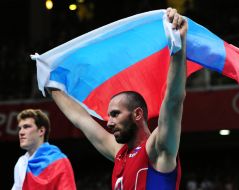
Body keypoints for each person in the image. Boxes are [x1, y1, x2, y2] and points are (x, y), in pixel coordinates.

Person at [49, 7, 187, 190]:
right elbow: (81, 119)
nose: (109, 122)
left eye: (115, 114)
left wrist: (178, 45)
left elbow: (173, 101)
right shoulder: (119, 153)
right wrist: (51, 86)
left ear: (137, 114)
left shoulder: (157, 147)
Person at [12, 109, 76, 190]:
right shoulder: (21, 164)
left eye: (26, 127)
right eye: (20, 128)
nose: (21, 132)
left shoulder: (60, 161)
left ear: (41, 131)